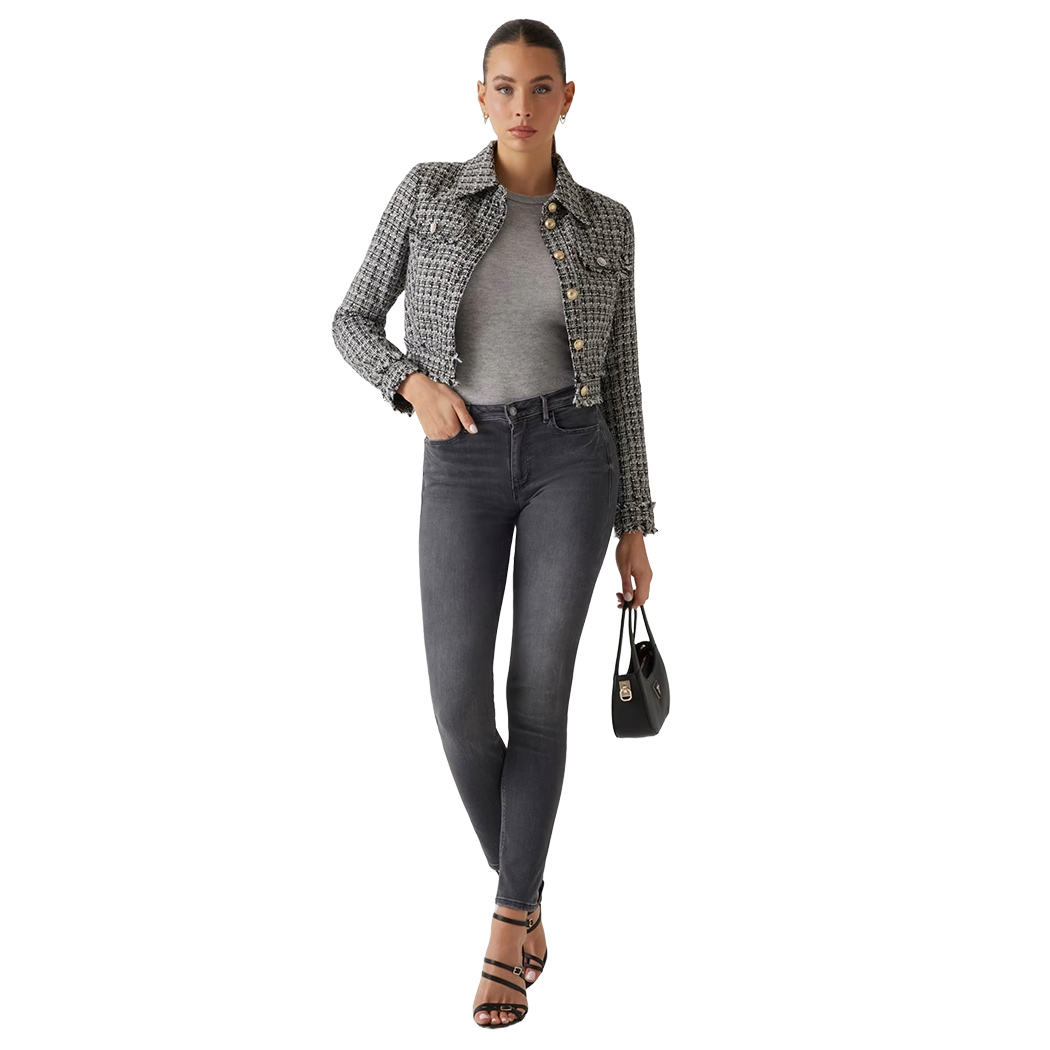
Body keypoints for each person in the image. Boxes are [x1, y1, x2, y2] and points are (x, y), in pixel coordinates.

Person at [332, 18, 658, 1028]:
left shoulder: (608, 223)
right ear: (480, 97)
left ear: (569, 98)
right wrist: (412, 386)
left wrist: (636, 524)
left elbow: (626, 378)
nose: (522, 105)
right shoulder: (429, 193)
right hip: (462, 458)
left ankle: (507, 927)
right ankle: (530, 892)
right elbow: (350, 318)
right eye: (504, 87)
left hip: (573, 460)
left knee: (539, 698)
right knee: (458, 705)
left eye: (541, 86)